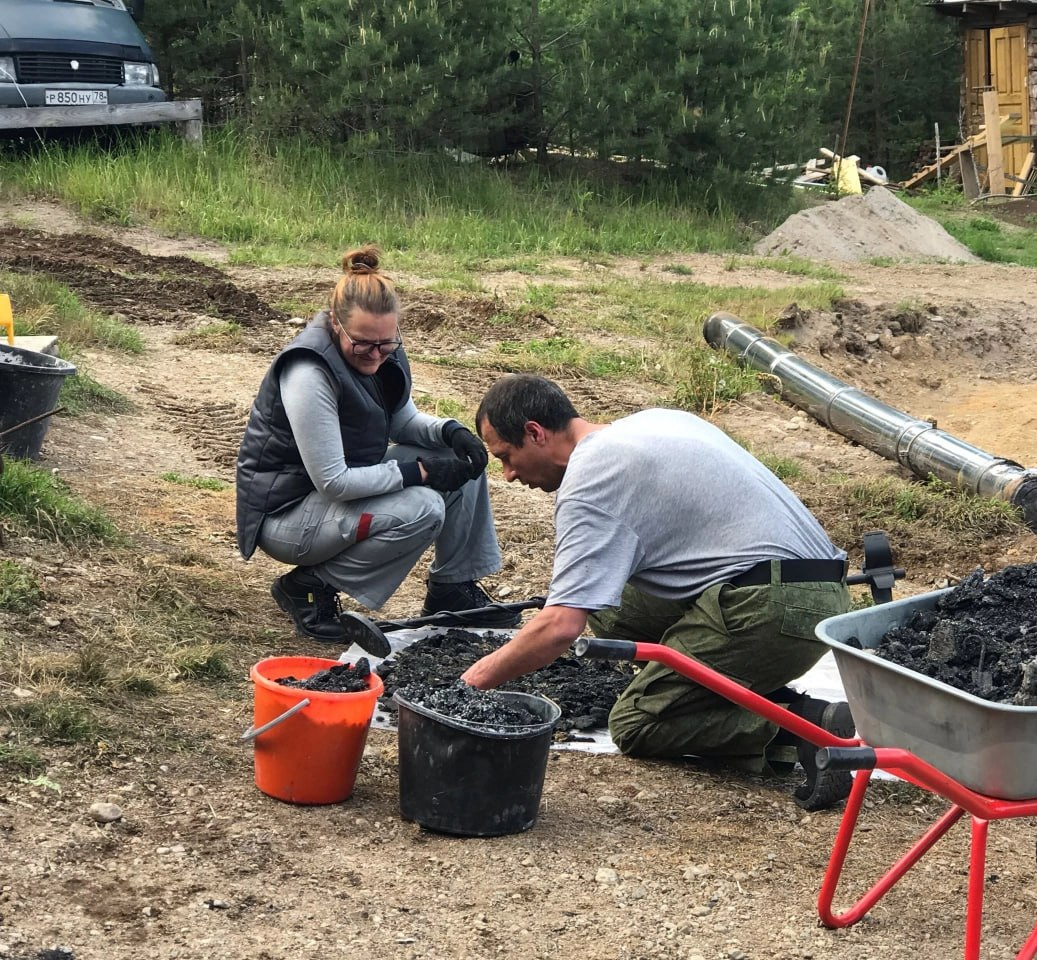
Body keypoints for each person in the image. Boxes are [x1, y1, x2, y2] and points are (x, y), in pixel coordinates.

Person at [461, 374, 855, 809]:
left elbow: (559, 626)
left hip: (773, 608)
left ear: (535, 432)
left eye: (507, 456)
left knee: (636, 724)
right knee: (609, 612)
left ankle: (803, 727)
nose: (509, 475)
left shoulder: (591, 481)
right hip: (819, 591)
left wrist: (470, 685)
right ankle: (708, 685)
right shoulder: (652, 422)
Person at [235, 246, 518, 642]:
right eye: (364, 344)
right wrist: (418, 472)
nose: (377, 355)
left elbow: (403, 421)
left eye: (387, 344)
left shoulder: (384, 350)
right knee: (422, 507)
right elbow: (334, 481)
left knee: (458, 462)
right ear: (335, 323)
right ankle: (308, 587)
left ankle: (451, 590)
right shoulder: (308, 371)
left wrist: (451, 432)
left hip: (333, 501)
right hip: (287, 515)